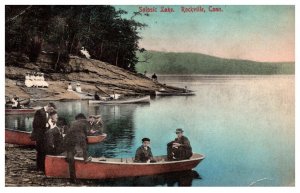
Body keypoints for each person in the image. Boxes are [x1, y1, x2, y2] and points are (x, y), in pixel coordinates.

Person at [64, 113, 91, 183]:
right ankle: (85, 159)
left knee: (70, 156)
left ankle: (72, 178)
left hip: (68, 139)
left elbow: (68, 132)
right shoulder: (85, 122)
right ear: (83, 118)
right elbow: (85, 135)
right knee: (84, 145)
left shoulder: (72, 122)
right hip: (79, 138)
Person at [31, 102, 57, 172]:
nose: (51, 111)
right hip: (39, 135)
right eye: (51, 109)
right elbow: (35, 124)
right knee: (40, 151)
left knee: (43, 151)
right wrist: (46, 126)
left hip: (44, 135)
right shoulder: (39, 112)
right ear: (48, 106)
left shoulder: (47, 113)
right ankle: (39, 167)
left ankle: (42, 166)